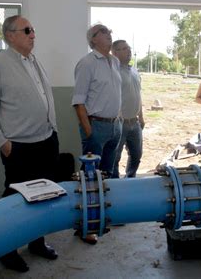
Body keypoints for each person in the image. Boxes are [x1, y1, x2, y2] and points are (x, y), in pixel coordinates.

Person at [0, 15, 59, 273]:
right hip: (20, 148)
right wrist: (3, 143)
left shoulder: (33, 61)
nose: (33, 34)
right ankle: (6, 251)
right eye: (27, 30)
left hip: (46, 141)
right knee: (15, 201)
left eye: (33, 30)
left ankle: (37, 242)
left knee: (44, 196)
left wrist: (52, 129)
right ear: (10, 35)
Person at [72, 24, 122, 244]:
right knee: (90, 179)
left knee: (108, 175)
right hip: (96, 127)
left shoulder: (115, 62)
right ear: (93, 39)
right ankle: (84, 227)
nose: (109, 35)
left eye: (110, 32)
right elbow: (78, 102)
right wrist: (90, 132)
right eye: (104, 33)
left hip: (114, 126)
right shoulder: (87, 63)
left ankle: (101, 217)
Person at [112, 40, 145, 178]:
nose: (129, 50)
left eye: (128, 48)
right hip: (120, 123)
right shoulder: (114, 72)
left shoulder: (134, 71)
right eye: (124, 48)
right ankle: (115, 184)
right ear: (114, 53)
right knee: (115, 158)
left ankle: (130, 179)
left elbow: (138, 94)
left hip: (135, 122)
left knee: (136, 155)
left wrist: (141, 117)